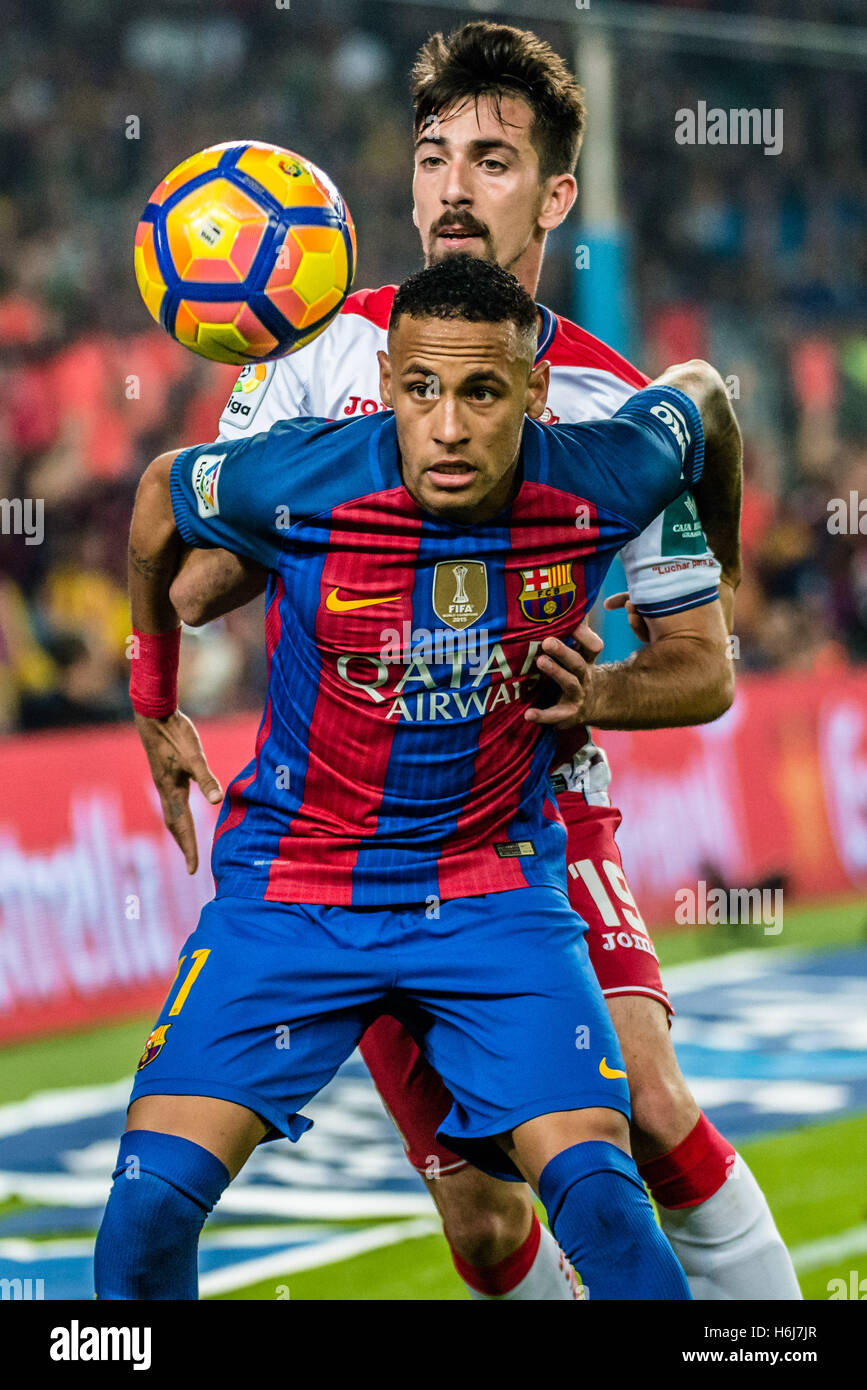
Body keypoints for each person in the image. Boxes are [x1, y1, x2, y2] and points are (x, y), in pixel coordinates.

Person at [162, 23, 801, 1301]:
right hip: (352, 818)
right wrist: (308, 477)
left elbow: (703, 666)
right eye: (435, 156)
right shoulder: (314, 349)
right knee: (487, 1223)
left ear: (556, 194)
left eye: (495, 160)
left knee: (649, 1095)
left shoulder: (621, 410)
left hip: (536, 810)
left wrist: (603, 692)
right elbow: (193, 585)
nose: (455, 187)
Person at [97, 254, 743, 1300]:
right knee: (145, 1207)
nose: (448, 428)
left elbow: (706, 394)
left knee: (609, 1209)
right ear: (389, 380)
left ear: (534, 393)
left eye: (483, 392)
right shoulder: (299, 476)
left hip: (493, 895)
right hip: (294, 888)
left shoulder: (604, 472)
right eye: (424, 390)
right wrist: (152, 697)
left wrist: (726, 550)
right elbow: (160, 496)